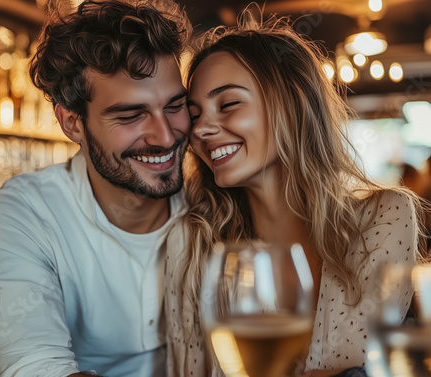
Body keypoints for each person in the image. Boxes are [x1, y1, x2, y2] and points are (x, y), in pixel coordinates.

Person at [164, 14, 429, 377]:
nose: (203, 130)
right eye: (194, 116)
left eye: (228, 105)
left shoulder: (384, 217)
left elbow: (346, 366)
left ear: (292, 103)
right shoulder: (193, 243)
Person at [0, 1, 191, 376]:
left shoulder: (214, 201)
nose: (166, 135)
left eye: (175, 105)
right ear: (72, 123)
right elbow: (33, 366)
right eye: (131, 115)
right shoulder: (26, 212)